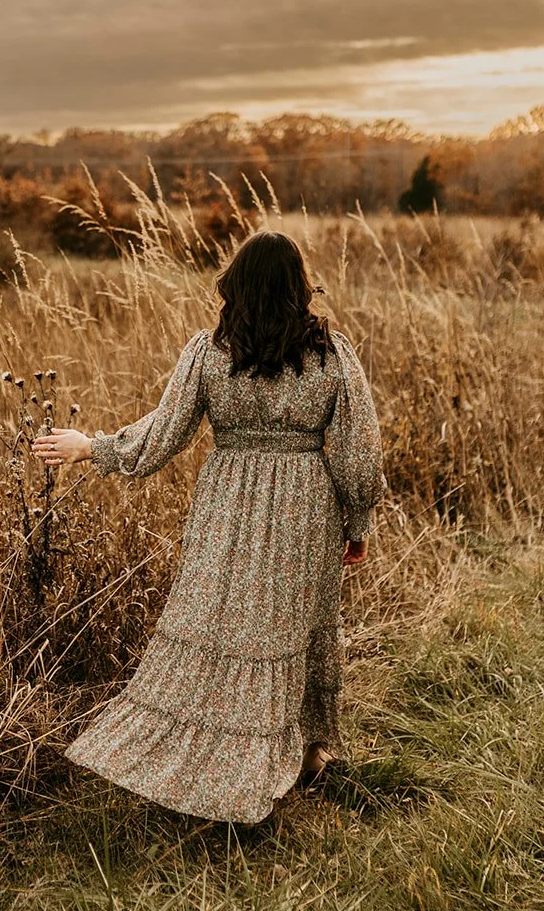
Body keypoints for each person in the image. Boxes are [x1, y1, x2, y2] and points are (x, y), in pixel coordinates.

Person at [30, 230, 384, 824]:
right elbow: (359, 454)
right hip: (305, 511)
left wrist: (92, 446)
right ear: (299, 286)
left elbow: (164, 432)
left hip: (226, 508)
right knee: (297, 624)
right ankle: (307, 751)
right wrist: (357, 521)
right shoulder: (331, 355)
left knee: (219, 620)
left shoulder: (210, 352)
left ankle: (228, 752)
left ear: (235, 284)